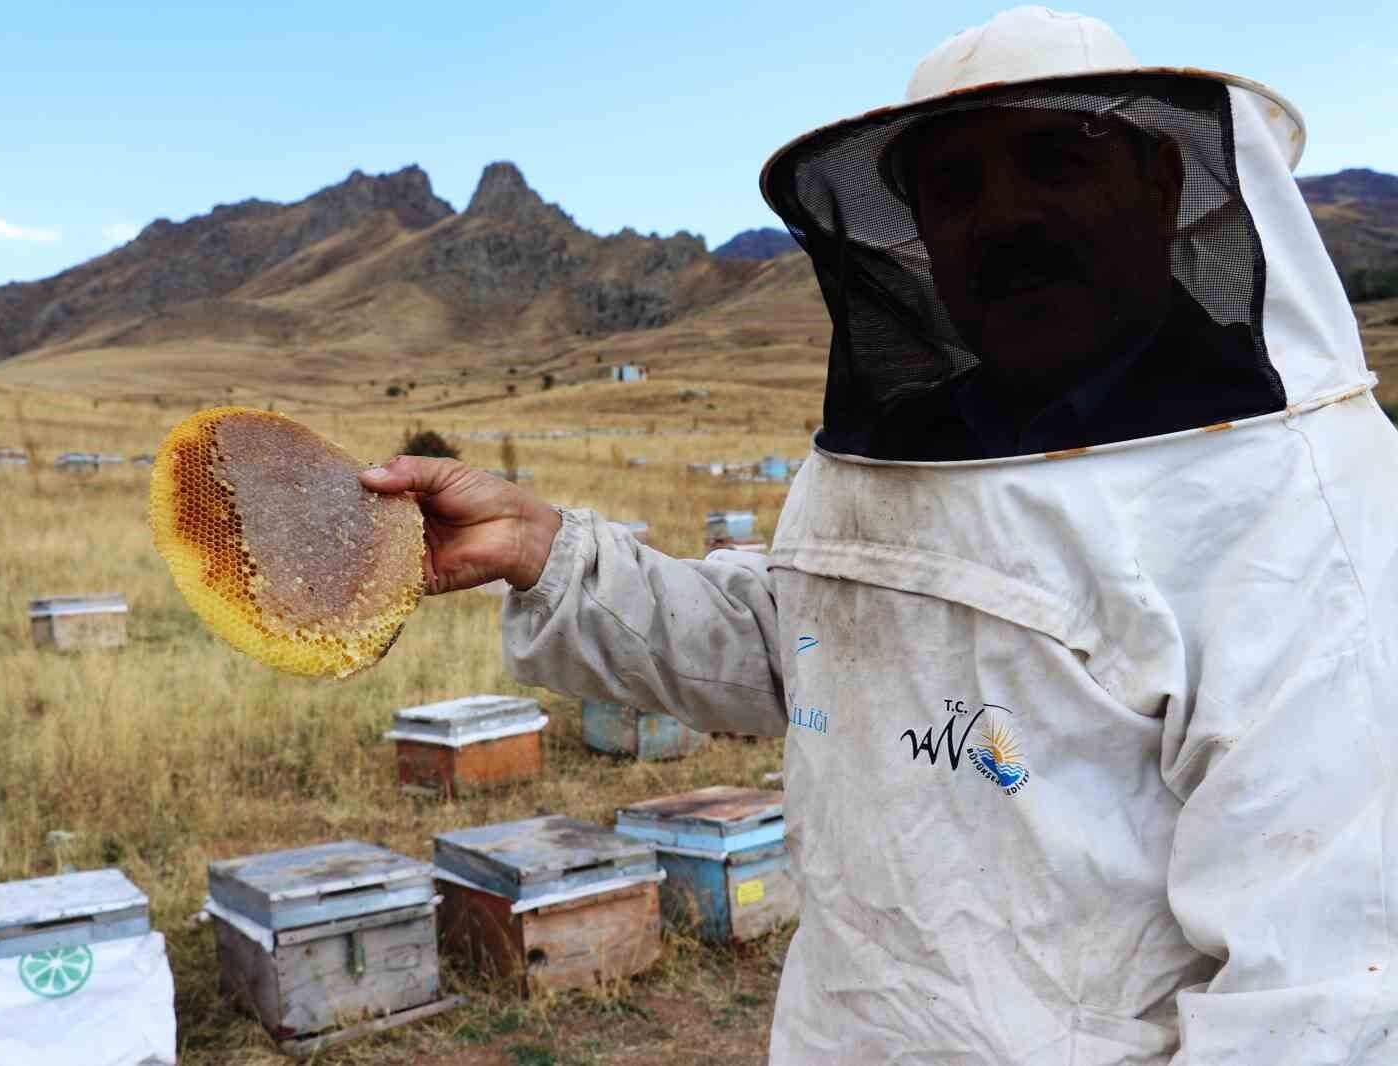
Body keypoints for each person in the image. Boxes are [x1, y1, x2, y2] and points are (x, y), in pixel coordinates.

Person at [362, 8, 1398, 1064]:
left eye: (1056, 161)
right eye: (955, 188)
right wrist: (547, 550)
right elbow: (804, 646)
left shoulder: (1303, 508)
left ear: (1160, 184)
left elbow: (1328, 996)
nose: (1006, 217)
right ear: (918, 235)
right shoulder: (902, 448)